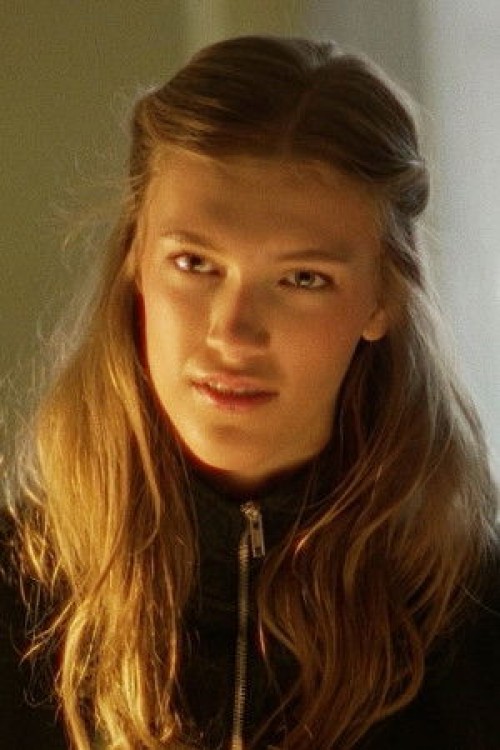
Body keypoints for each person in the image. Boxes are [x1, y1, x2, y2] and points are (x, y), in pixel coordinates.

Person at [1, 34, 499, 750]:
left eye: (302, 279)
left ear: (382, 300)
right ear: (135, 261)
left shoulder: (477, 624)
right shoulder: (15, 593)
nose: (232, 332)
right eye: (195, 263)